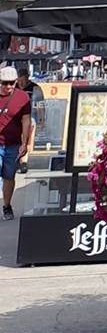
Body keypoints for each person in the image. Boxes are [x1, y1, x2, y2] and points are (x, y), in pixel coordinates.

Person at [0, 65, 33, 221]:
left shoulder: (22, 98)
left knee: (9, 176)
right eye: (4, 83)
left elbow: (26, 120)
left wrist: (25, 142)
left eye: (11, 83)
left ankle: (7, 205)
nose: (8, 86)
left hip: (13, 144)